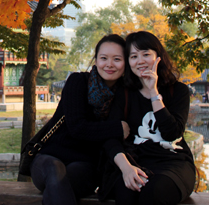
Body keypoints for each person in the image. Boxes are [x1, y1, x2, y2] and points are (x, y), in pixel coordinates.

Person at [29, 34, 129, 205]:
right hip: (49, 158)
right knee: (55, 170)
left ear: (126, 63)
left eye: (117, 59)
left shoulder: (126, 95)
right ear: (96, 60)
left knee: (63, 180)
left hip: (86, 165)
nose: (110, 64)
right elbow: (77, 127)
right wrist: (117, 128)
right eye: (103, 58)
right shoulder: (77, 82)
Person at [100, 31, 195, 205]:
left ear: (158, 57)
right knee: (125, 192)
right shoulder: (124, 93)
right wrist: (126, 169)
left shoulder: (178, 91)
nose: (140, 61)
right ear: (129, 62)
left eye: (146, 54)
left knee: (153, 192)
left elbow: (172, 133)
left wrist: (153, 92)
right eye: (134, 56)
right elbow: (111, 138)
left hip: (173, 163)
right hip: (137, 161)